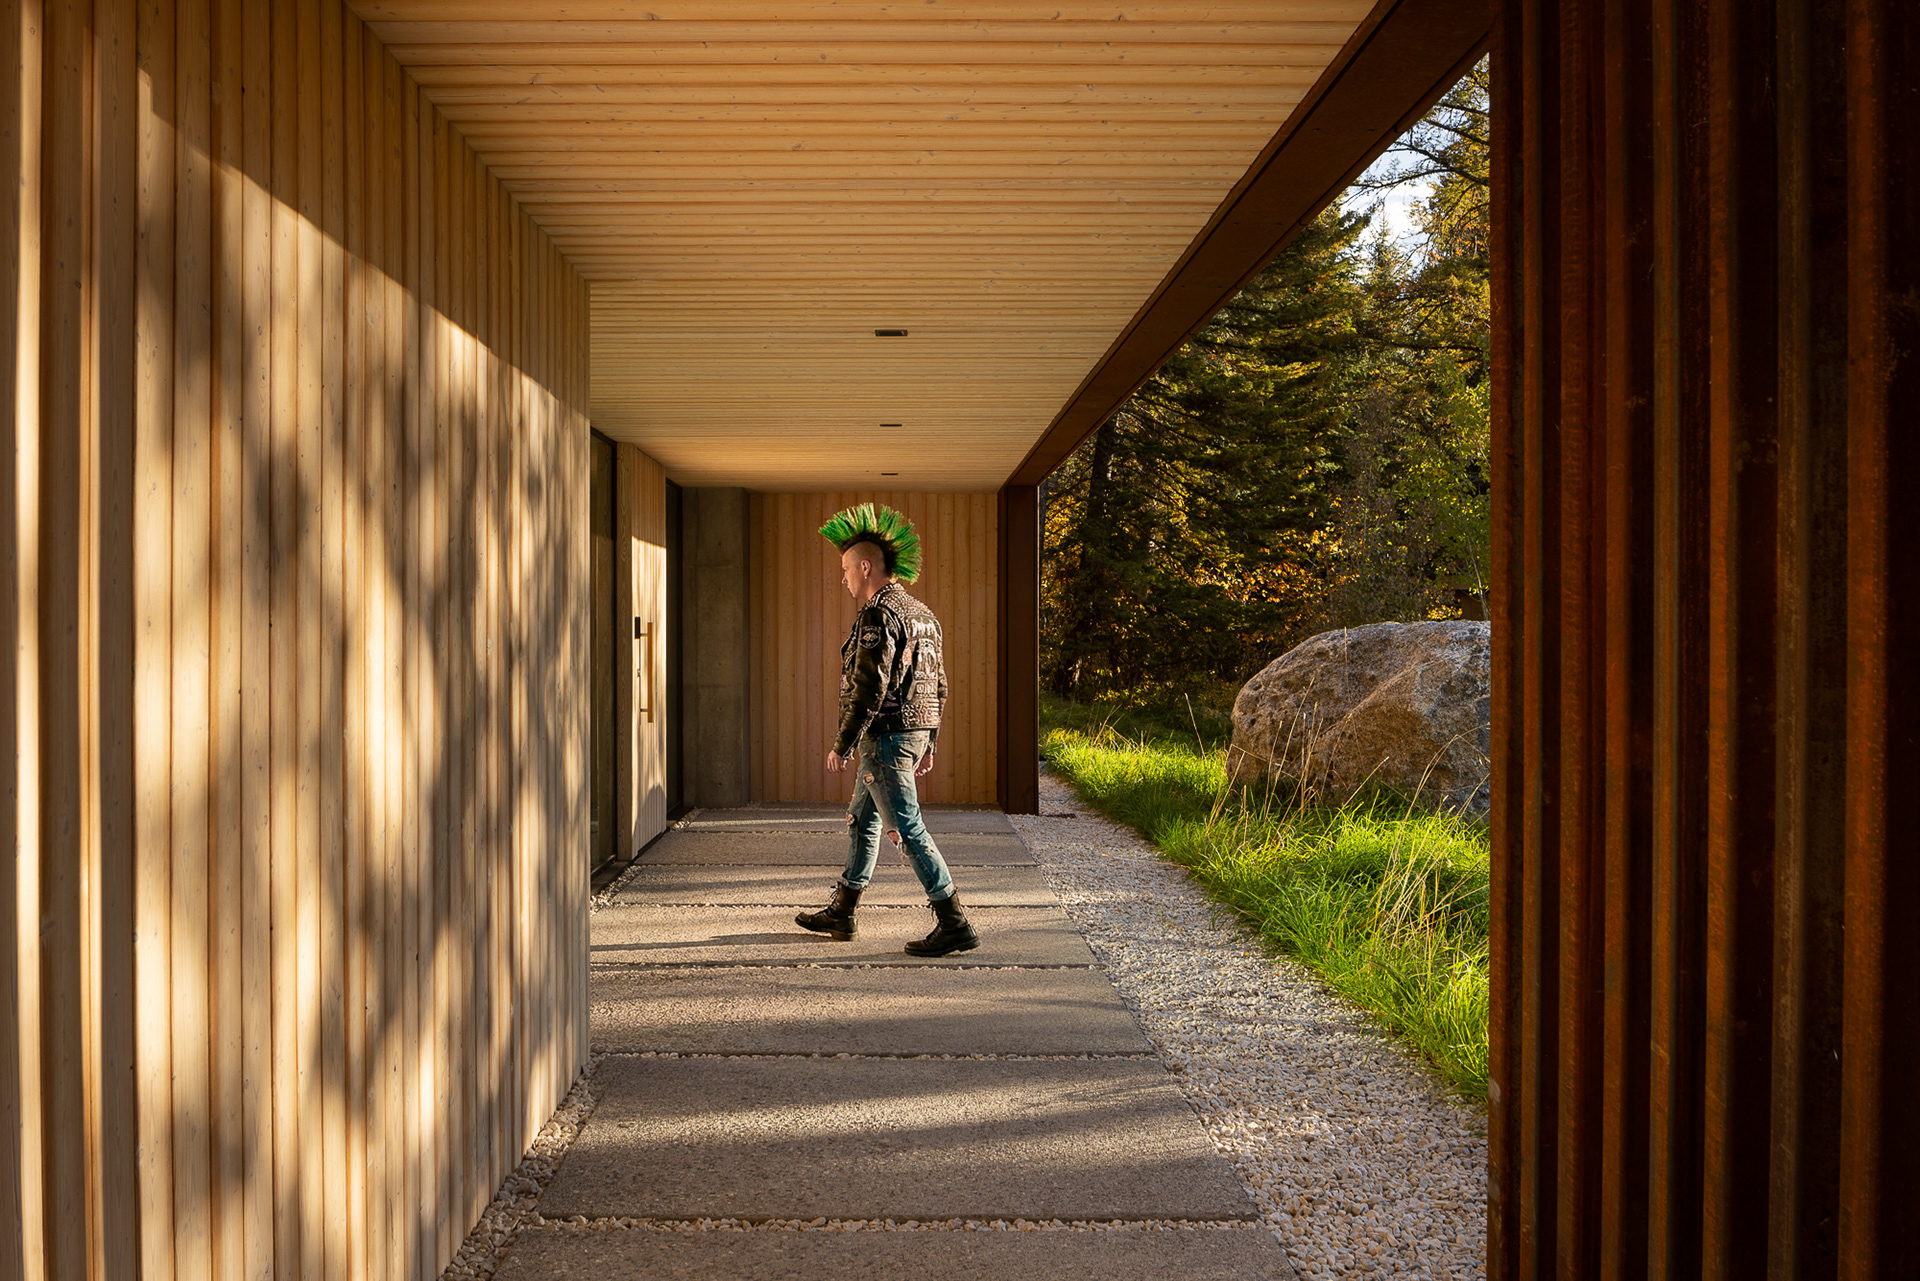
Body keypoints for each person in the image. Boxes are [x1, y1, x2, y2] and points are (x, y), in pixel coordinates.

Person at [795, 503, 979, 956]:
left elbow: (869, 686)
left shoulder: (878, 614)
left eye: (845, 570)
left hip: (886, 739)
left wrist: (843, 743)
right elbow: (938, 682)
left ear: (865, 567)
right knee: (862, 820)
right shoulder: (922, 613)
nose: (843, 579)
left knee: (907, 828)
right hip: (910, 735)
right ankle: (843, 911)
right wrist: (930, 741)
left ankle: (954, 921)